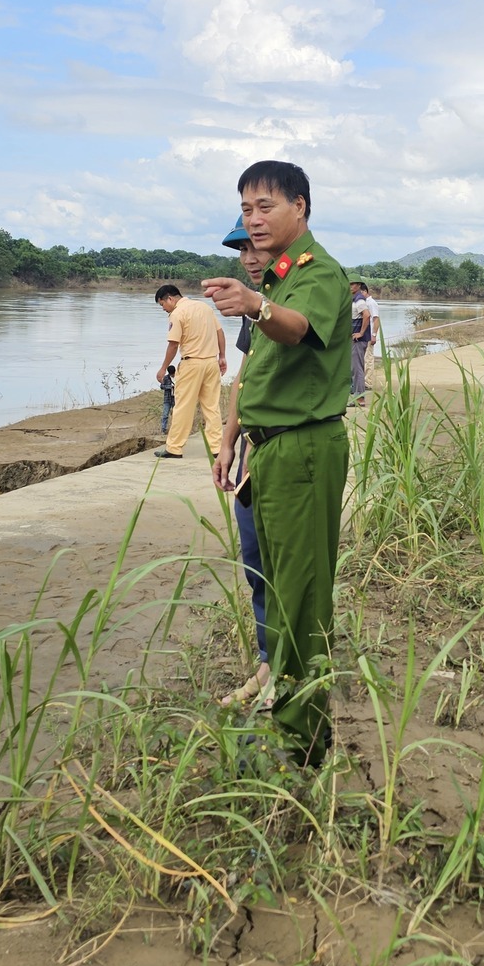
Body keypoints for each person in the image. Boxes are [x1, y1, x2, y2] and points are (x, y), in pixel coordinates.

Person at [204, 160, 349, 766]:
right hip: (269, 449)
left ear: (301, 208)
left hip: (303, 449)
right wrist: (234, 431)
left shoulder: (316, 274)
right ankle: (291, 719)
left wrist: (255, 305)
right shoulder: (281, 278)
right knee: (274, 584)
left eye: (266, 206)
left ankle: (304, 744)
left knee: (301, 594)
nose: (255, 219)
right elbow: (257, 369)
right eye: (246, 209)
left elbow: (294, 330)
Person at [216, 215, 272, 709]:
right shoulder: (251, 311)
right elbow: (245, 375)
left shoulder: (297, 297)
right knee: (255, 562)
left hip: (283, 454)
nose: (250, 258)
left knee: (285, 564)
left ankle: (284, 666)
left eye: (257, 246)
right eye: (242, 249)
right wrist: (228, 439)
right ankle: (267, 660)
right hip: (249, 452)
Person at [153, 284, 225, 460]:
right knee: (212, 407)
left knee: (183, 406)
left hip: (192, 363)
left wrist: (163, 368)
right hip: (211, 362)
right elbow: (220, 332)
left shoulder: (177, 313)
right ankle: (217, 448)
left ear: (170, 298)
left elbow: (173, 344)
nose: (163, 308)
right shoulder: (204, 307)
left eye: (162, 304)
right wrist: (222, 356)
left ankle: (175, 448)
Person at [349, 280, 381, 404]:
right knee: (355, 368)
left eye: (352, 284)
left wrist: (362, 333)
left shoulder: (360, 300)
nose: (350, 287)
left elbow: (367, 315)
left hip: (359, 340)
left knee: (357, 368)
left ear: (358, 286)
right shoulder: (355, 299)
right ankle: (357, 394)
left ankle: (360, 398)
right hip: (356, 339)